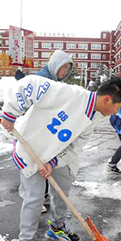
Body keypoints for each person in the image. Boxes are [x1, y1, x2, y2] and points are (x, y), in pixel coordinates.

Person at [0, 75, 121, 241]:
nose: (116, 112)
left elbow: (75, 146)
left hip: (54, 154)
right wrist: (10, 113)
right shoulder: (69, 94)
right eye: (118, 107)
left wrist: (53, 162)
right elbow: (29, 84)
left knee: (63, 185)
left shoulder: (94, 116)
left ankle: (57, 227)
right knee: (34, 198)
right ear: (107, 100)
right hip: (31, 149)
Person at [35, 50, 74, 212]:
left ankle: (41, 197)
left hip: (48, 129)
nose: (65, 72)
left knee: (45, 165)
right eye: (63, 68)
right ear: (56, 65)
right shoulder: (41, 80)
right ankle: (36, 201)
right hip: (38, 130)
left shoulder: (53, 81)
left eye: (67, 69)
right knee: (38, 166)